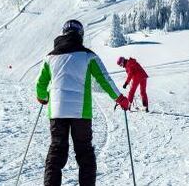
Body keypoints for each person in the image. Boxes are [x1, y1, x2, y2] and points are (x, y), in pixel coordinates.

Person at [36, 19, 130, 186]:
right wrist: (120, 98)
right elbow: (104, 79)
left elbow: (40, 84)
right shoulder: (88, 55)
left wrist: (42, 97)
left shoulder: (50, 58)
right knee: (85, 153)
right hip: (81, 112)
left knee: (56, 153)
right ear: (80, 35)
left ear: (63, 33)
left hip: (57, 111)